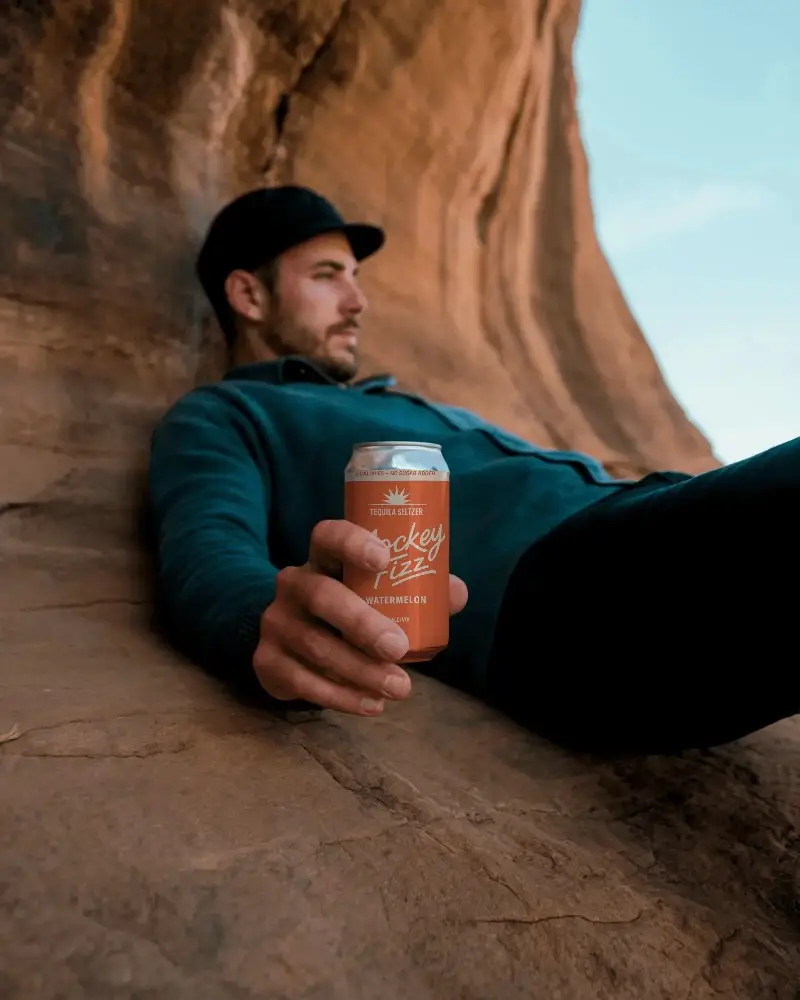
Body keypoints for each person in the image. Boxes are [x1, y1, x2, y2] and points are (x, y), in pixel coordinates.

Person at [147, 185, 799, 756]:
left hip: (639, 523)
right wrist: (261, 622)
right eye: (327, 275)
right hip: (563, 596)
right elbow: (206, 548)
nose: (358, 301)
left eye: (354, 277)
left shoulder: (384, 401)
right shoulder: (226, 411)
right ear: (248, 294)